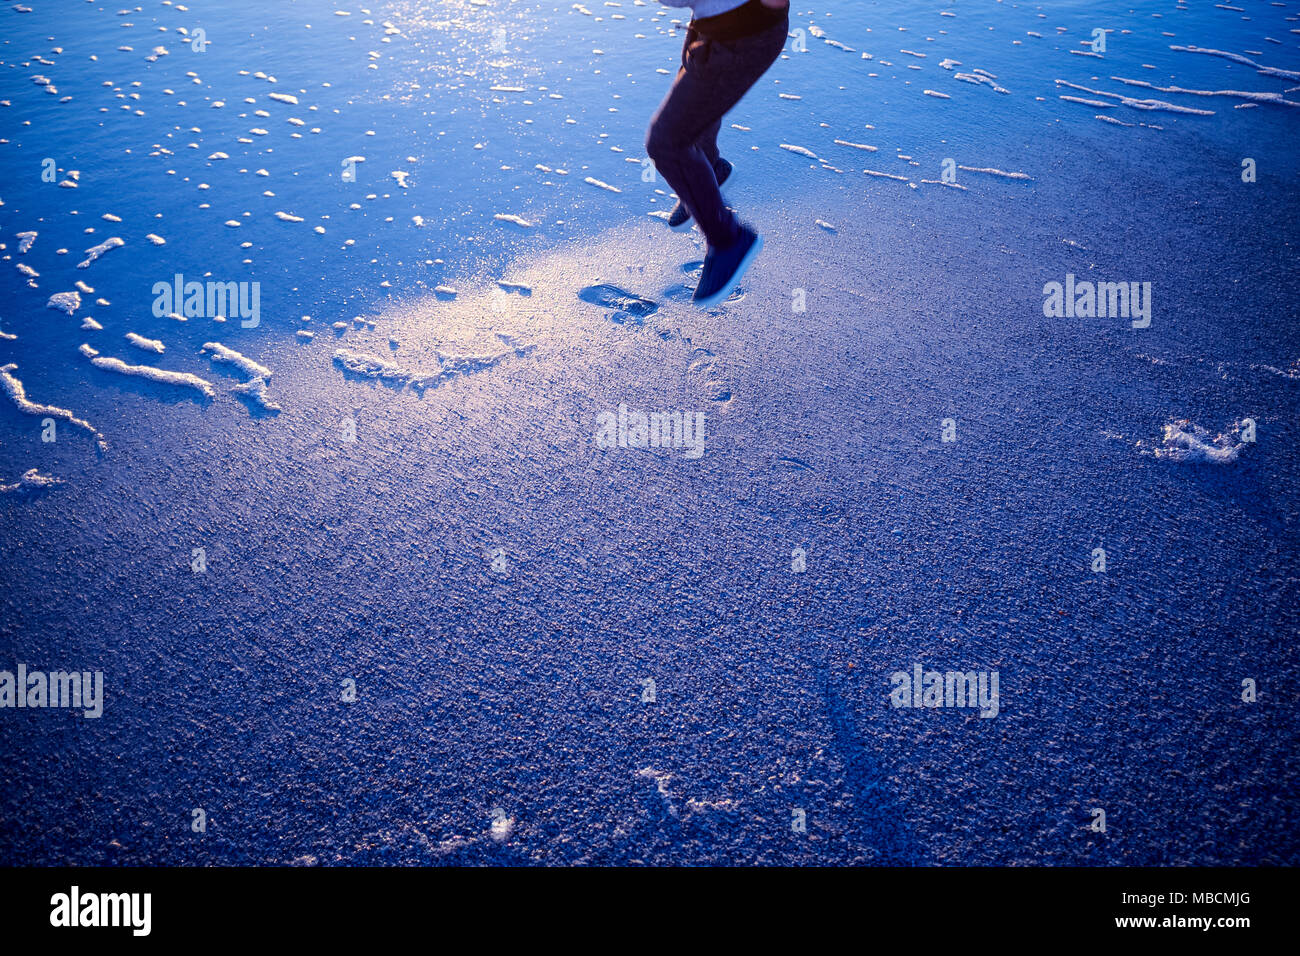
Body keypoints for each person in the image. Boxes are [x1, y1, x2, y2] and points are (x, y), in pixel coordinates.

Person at [646, 0, 790, 308]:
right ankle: (710, 172)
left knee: (666, 142)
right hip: (716, 30)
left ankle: (728, 241)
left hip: (742, 37)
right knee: (693, 114)